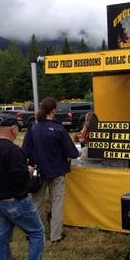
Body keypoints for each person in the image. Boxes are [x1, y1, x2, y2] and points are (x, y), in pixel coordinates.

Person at [0, 114, 51, 260]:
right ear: (13, 129)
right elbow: (20, 179)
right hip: (15, 201)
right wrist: (28, 170)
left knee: (2, 238)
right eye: (17, 128)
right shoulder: (14, 151)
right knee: (37, 231)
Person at [22, 97, 80, 243]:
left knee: (37, 203)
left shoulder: (33, 128)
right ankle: (56, 236)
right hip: (57, 172)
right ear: (53, 110)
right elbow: (72, 153)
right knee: (57, 203)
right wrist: (79, 153)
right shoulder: (59, 129)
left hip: (38, 173)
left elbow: (24, 152)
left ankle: (36, 234)